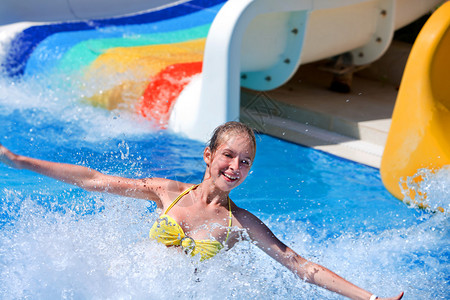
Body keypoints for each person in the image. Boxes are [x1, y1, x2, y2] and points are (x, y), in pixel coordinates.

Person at [0, 121, 403, 300]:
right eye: (229, 156)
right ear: (208, 155)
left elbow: (300, 265)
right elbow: (92, 179)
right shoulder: (167, 192)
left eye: (245, 162)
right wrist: (20, 161)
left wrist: (368, 299)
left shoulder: (239, 223)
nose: (235, 167)